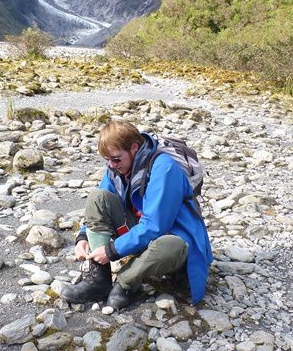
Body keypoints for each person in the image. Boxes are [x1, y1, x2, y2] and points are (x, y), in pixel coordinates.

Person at [61, 119, 213, 309]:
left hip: (174, 240)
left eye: (116, 159)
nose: (111, 165)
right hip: (142, 235)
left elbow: (155, 226)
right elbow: (99, 205)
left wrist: (111, 251)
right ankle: (98, 281)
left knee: (170, 245)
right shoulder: (115, 168)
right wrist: (83, 236)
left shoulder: (164, 168)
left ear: (134, 148)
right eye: (107, 159)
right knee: (97, 197)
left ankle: (125, 283)